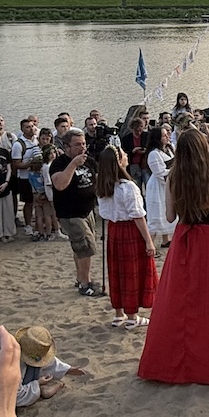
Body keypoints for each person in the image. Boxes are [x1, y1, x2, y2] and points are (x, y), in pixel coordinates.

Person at [138, 128, 209, 388]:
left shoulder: (174, 178)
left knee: (179, 302)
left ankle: (176, 363)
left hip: (184, 240)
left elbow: (169, 217)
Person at [95, 144, 158, 328]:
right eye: (123, 154)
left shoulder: (103, 186)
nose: (126, 156)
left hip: (114, 231)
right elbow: (138, 216)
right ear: (118, 161)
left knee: (117, 272)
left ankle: (118, 313)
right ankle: (131, 317)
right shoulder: (127, 187)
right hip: (130, 230)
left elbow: (106, 213)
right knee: (132, 272)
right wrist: (148, 241)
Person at [50, 130, 102, 297]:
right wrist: (73, 165)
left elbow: (98, 180)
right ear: (66, 147)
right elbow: (59, 185)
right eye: (77, 145)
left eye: (83, 144)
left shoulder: (89, 161)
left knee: (80, 247)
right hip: (70, 213)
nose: (82, 148)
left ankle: (80, 278)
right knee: (86, 248)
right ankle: (85, 284)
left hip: (88, 210)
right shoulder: (59, 163)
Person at [145, 124, 177, 246]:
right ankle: (149, 243)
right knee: (157, 214)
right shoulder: (154, 154)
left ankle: (165, 239)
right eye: (164, 135)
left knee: (166, 210)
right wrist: (175, 172)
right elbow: (160, 173)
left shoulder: (169, 148)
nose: (167, 136)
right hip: (158, 186)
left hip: (169, 184)